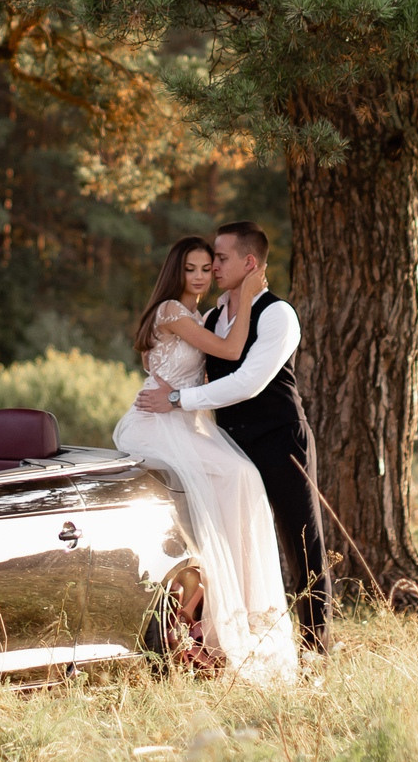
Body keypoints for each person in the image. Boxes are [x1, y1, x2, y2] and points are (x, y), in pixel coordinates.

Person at [131, 222, 331, 653]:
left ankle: (317, 649)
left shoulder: (278, 314)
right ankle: (229, 634)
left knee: (302, 544)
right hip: (223, 441)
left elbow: (248, 381)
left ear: (250, 263)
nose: (213, 267)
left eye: (220, 259)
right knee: (223, 539)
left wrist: (179, 398)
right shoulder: (213, 315)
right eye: (205, 262)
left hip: (278, 441)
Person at [110, 237, 298, 682]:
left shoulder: (199, 314)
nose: (198, 275)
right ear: (175, 272)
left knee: (215, 509)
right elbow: (231, 352)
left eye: (204, 267)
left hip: (185, 425)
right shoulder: (173, 312)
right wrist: (248, 298)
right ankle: (234, 612)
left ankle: (221, 612)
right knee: (240, 477)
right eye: (190, 268)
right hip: (162, 425)